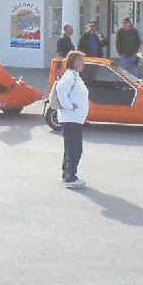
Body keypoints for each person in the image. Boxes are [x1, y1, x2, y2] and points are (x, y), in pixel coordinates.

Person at [56, 50, 89, 189]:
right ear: (74, 62)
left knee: (71, 148)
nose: (83, 63)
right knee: (75, 149)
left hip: (74, 119)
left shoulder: (75, 76)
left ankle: (67, 174)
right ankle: (70, 177)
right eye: (81, 61)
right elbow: (60, 89)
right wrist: (69, 105)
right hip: (71, 119)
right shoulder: (70, 76)